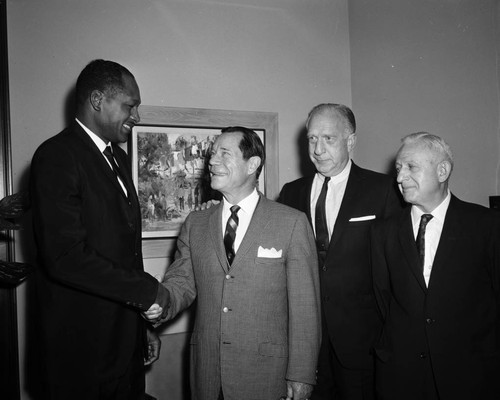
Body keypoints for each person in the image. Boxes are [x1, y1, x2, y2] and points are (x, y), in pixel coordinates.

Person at [146, 126, 321, 400]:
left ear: (252, 164)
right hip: (207, 374)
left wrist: (301, 376)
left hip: (266, 376)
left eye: (224, 154)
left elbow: (305, 310)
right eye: (212, 154)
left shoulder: (291, 223)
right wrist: (158, 304)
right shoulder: (196, 223)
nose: (212, 161)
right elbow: (181, 283)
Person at [30, 59, 169, 400]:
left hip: (124, 350)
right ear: (97, 100)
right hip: (82, 357)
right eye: (130, 106)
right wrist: (147, 291)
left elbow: (124, 252)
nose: (136, 116)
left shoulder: (118, 159)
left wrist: (140, 328)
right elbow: (66, 257)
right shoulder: (56, 156)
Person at [278, 103, 402, 400]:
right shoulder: (291, 193)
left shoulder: (383, 189)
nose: (318, 149)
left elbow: (398, 267)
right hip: (307, 344)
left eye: (328, 139)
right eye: (312, 139)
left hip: (363, 344)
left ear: (350, 141)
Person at [371, 132, 500, 400]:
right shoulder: (383, 232)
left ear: (442, 170)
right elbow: (384, 301)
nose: (399, 177)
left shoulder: (486, 225)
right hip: (401, 377)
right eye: (398, 168)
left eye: (411, 167)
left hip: (470, 376)